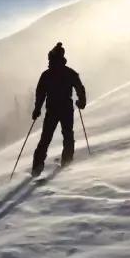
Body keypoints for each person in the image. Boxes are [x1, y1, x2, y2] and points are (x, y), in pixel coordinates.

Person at [31, 42, 86, 176]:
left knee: (45, 138)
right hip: (66, 109)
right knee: (68, 135)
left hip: (52, 110)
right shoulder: (69, 72)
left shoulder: (46, 75)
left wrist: (37, 109)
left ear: (52, 58)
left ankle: (37, 168)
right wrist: (81, 102)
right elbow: (80, 88)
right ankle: (66, 162)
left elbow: (40, 93)